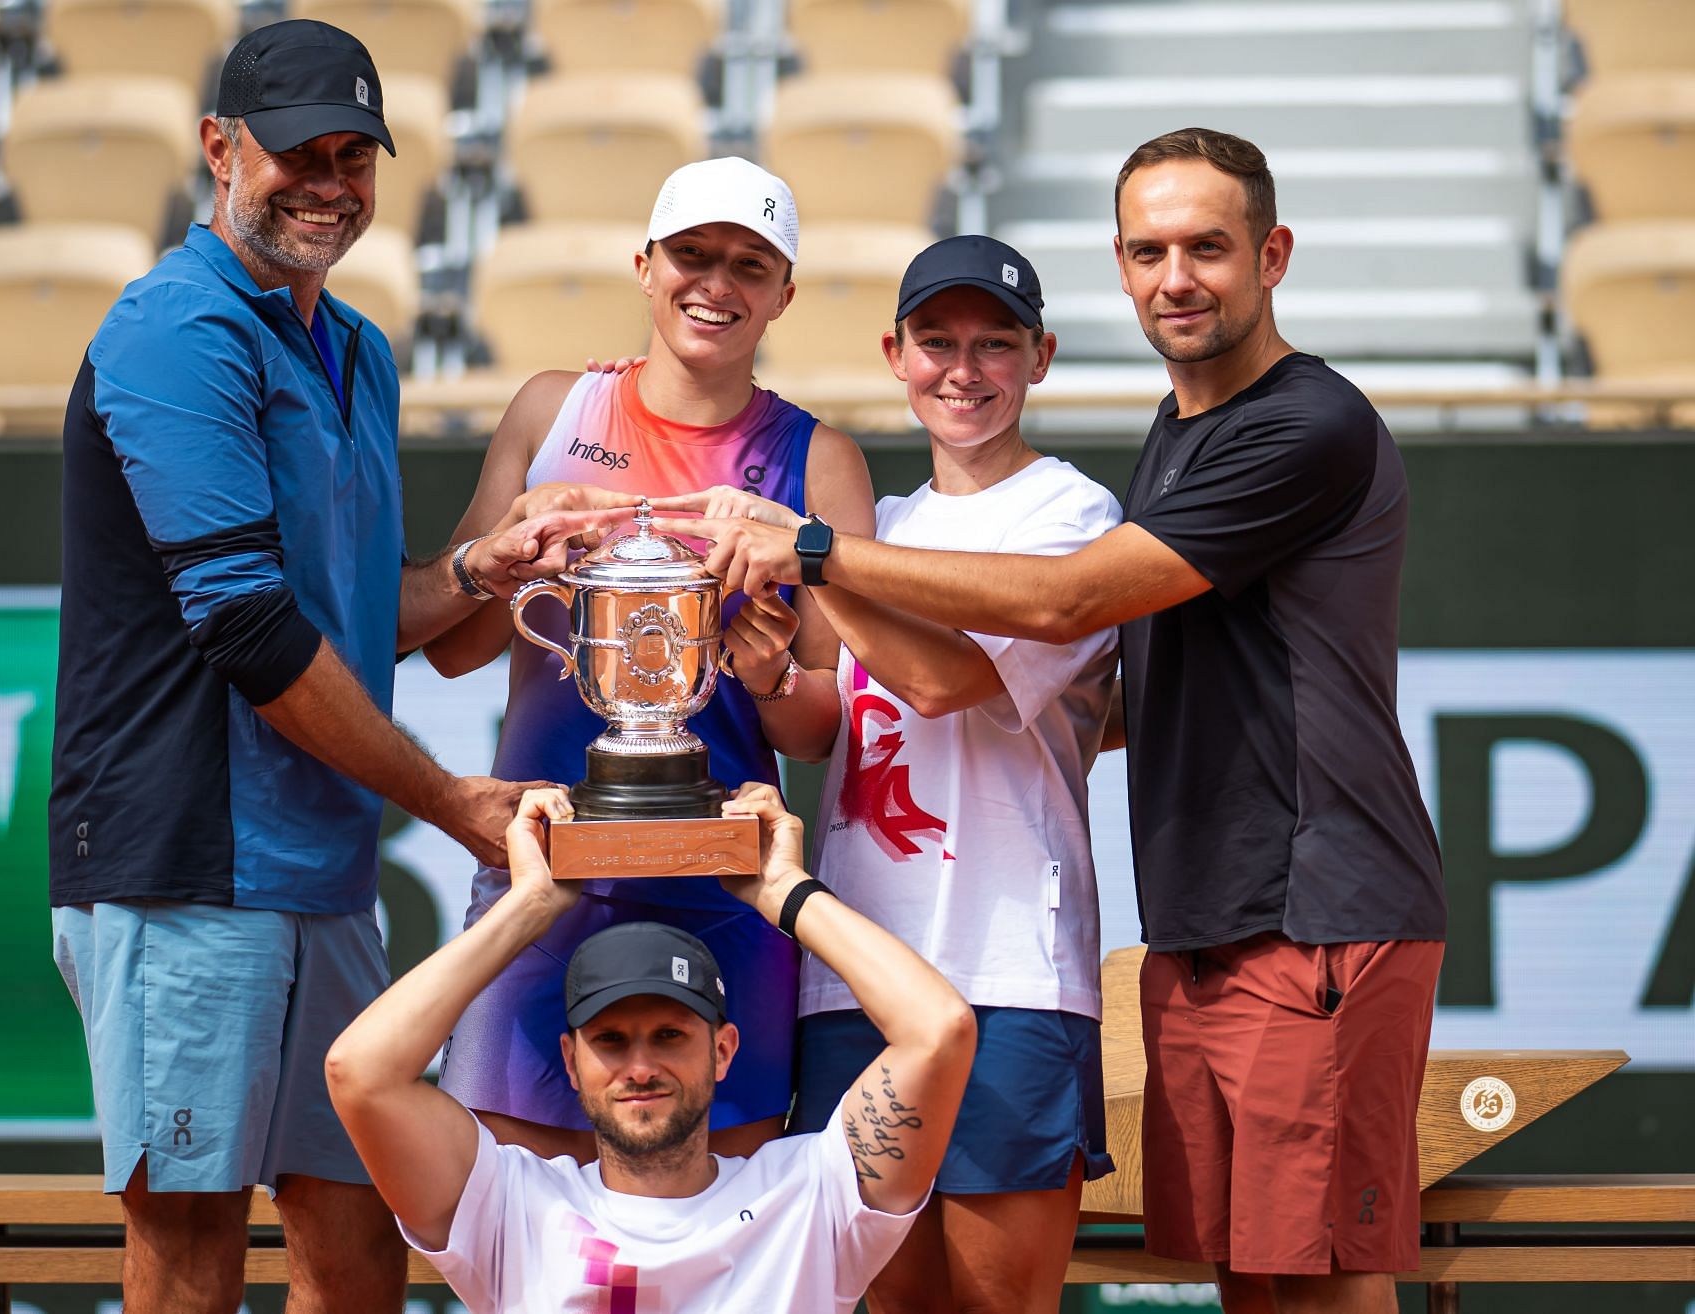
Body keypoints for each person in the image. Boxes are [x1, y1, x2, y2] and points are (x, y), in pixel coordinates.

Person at [657, 128, 1448, 1314]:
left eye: (1208, 247)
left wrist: (814, 554)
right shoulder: (1175, 444)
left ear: (1272, 254)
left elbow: (1051, 612)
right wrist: (777, 666)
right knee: (1255, 1277)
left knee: (1312, 1278)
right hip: (1192, 919)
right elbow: (1066, 688)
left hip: (1302, 907)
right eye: (1150, 250)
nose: (1176, 275)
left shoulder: (1293, 427)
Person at [48, 21, 606, 1313]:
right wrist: (453, 800)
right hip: (185, 862)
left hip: (325, 875)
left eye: (357, 155)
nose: (331, 182)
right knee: (189, 1255)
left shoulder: (358, 347)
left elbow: (351, 615)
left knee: (360, 1251)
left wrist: (477, 570)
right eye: (301, 151)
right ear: (218, 148)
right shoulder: (173, 328)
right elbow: (250, 630)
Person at [655, 235, 1120, 1313]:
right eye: (937, 342)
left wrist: (807, 552)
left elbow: (942, 680)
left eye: (995, 344)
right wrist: (771, 676)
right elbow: (833, 728)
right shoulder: (885, 527)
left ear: (1040, 357)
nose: (964, 369)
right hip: (855, 969)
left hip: (1008, 970)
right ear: (894, 353)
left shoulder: (1071, 514)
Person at [418, 155, 876, 1162]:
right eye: (693, 255)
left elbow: (816, 726)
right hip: (544, 866)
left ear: (784, 295)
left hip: (724, 889)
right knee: (518, 1218)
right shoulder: (552, 413)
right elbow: (454, 652)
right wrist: (512, 554)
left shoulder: (820, 460)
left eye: (750, 266)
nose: (716, 284)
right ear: (644, 264)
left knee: (724, 1223)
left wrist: (764, 674)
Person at [325, 781, 977, 1314]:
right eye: (610, 1040)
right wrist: (528, 904)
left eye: (670, 1036)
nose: (640, 1067)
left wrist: (783, 891)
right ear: (572, 1062)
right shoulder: (511, 1205)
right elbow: (360, 1072)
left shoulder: (810, 1195)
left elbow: (938, 1029)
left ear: (723, 1051)